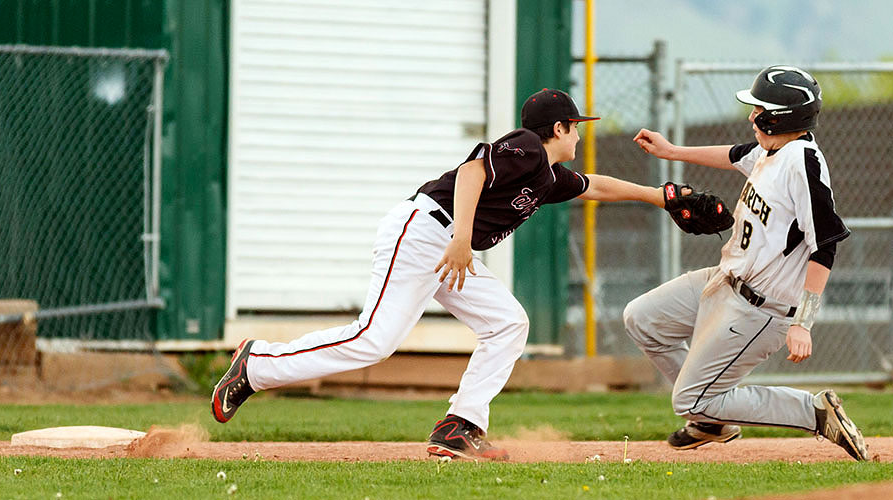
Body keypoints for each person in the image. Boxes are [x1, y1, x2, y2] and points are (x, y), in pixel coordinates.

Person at [212, 88, 686, 461]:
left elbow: (598, 185)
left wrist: (663, 196)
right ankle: (256, 365)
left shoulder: (545, 176)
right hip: (426, 233)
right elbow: (471, 173)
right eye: (575, 127)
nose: (579, 136)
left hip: (446, 246)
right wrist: (462, 237)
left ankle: (459, 427)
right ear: (558, 128)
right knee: (373, 340)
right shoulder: (525, 147)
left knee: (508, 322)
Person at [626, 65, 868, 460]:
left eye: (760, 109)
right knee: (642, 319)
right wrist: (671, 151)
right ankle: (712, 417)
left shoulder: (801, 163)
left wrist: (802, 323)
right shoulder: (772, 148)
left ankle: (813, 412)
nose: (752, 116)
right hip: (723, 281)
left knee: (689, 398)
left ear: (781, 117)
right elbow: (735, 154)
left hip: (762, 309)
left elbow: (825, 244)